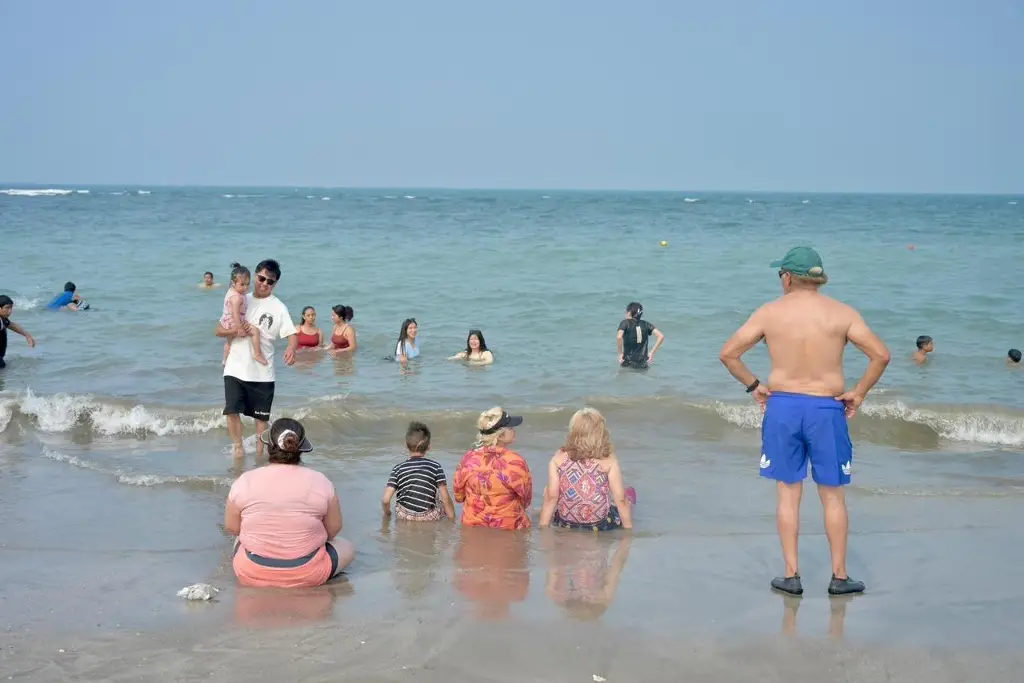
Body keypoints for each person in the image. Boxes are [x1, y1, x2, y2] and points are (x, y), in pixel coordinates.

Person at [718, 246, 890, 597]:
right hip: (826, 409)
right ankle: (839, 577)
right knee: (833, 495)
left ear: (787, 277)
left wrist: (754, 386)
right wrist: (858, 393)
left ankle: (791, 575)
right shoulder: (842, 313)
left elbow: (729, 353)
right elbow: (881, 355)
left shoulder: (769, 313)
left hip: (783, 407)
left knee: (788, 493)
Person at [224, 418, 355, 588]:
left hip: (252, 572)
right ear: (301, 448)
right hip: (308, 573)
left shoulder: (244, 480)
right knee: (347, 547)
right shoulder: (320, 481)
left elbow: (232, 528)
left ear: (268, 445)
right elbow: (334, 529)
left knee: (240, 538)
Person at [214, 259, 298, 458]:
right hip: (235, 367)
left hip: (262, 373)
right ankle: (238, 448)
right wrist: (236, 330)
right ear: (255, 277)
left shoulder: (279, 307)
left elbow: (292, 334)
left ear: (275, 283)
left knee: (261, 419)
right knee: (231, 410)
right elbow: (218, 330)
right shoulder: (240, 298)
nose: (264, 283)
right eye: (261, 278)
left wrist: (291, 348)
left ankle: (260, 456)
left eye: (270, 281)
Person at [539, 407, 635, 531]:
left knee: (548, 492)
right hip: (599, 525)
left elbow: (552, 498)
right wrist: (628, 532)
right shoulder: (608, 461)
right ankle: (630, 499)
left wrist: (543, 529)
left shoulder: (558, 459)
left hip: (566, 523)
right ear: (601, 433)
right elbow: (620, 501)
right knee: (626, 497)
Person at [453, 407, 533, 530]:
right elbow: (526, 500)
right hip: (508, 526)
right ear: (500, 436)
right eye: (510, 428)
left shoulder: (468, 459)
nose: (514, 430)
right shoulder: (516, 462)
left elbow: (459, 497)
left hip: (472, 526)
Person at [381, 421, 456, 521]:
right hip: (427, 516)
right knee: (440, 503)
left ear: (406, 445)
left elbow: (386, 500)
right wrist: (452, 519)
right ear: (428, 447)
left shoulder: (398, 468)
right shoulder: (436, 467)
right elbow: (445, 497)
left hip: (403, 515)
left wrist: (388, 514)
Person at [220, 263, 268, 367]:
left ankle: (224, 360)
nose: (245, 287)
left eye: (247, 284)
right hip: (234, 322)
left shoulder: (231, 290)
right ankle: (257, 354)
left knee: (229, 343)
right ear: (233, 283)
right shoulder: (236, 298)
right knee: (255, 331)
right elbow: (235, 314)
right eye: (242, 285)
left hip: (226, 321)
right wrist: (240, 328)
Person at [616, 302, 664, 369]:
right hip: (643, 362)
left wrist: (620, 353)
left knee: (626, 375)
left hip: (628, 361)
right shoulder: (646, 324)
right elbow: (661, 336)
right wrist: (652, 353)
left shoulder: (625, 322)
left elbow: (619, 337)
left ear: (629, 312)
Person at [0, 295, 36, 369]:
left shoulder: (3, 319)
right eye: (7, 308)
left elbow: (11, 325)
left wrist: (27, 335)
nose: (10, 311)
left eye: (11, 308)